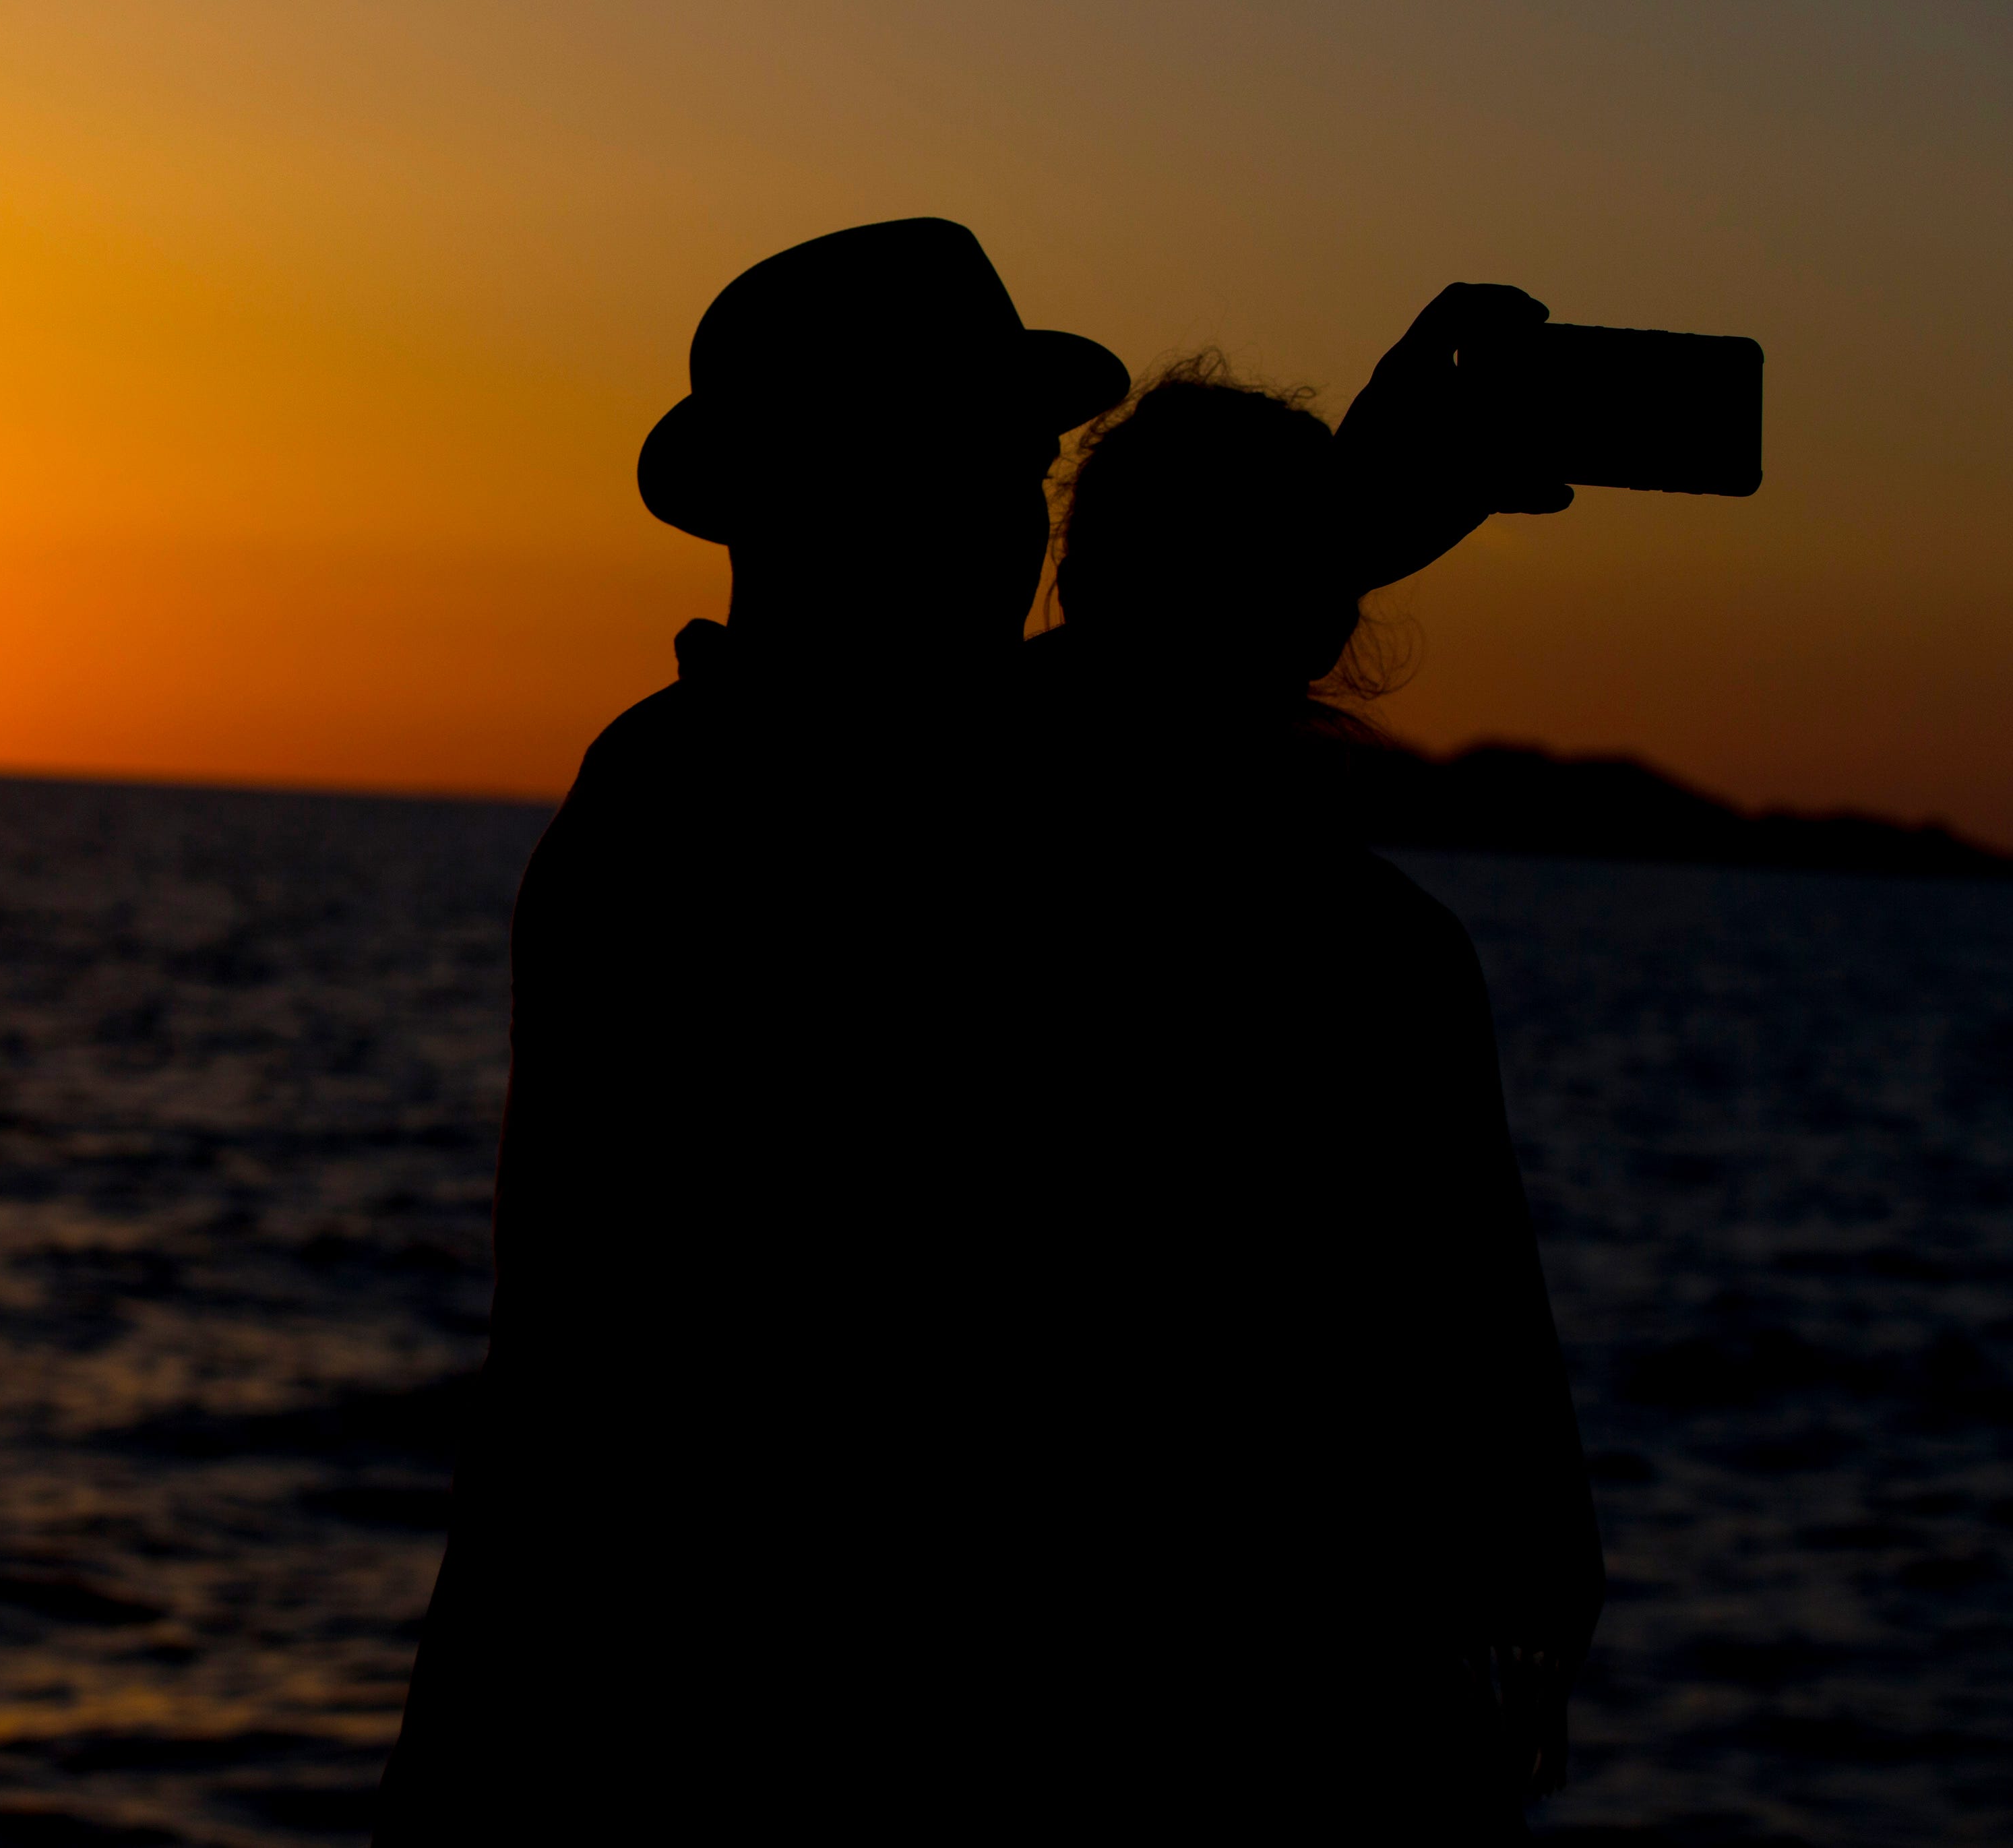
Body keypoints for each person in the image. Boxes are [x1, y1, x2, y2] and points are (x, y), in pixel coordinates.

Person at [372, 218, 1130, 1843]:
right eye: (953, 466)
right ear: (819, 498)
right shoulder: (710, 807)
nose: (1011, 527)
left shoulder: (788, 773)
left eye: (1019, 472)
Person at [985, 336, 1603, 1839]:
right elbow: (1495, 1387)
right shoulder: (1381, 957)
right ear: (1322, 617)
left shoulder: (921, 868)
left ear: (1072, 586)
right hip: (1323, 1704)